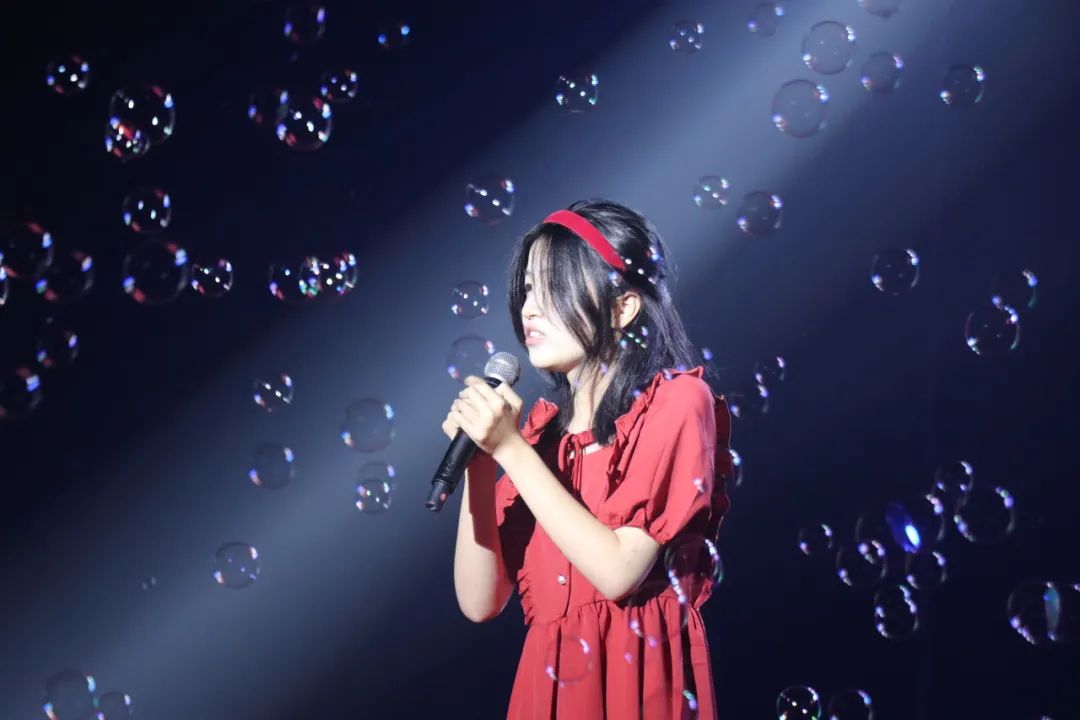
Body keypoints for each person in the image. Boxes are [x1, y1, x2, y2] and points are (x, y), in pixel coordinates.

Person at [444, 198, 733, 719]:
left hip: (640, 688)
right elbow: (478, 601)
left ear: (623, 308)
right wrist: (480, 465)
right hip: (548, 694)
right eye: (527, 289)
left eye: (552, 287)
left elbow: (618, 570)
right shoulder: (538, 443)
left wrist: (508, 447)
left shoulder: (676, 404)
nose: (529, 309)